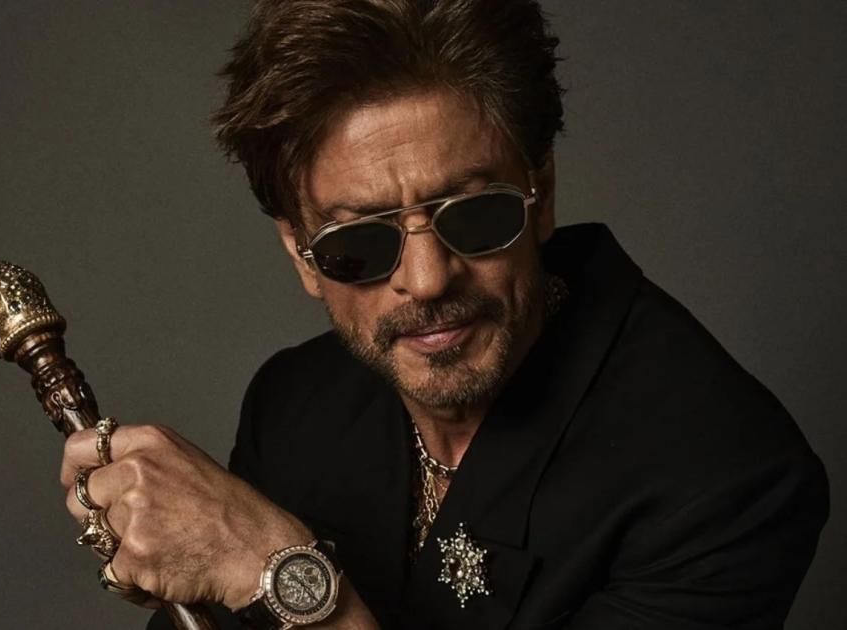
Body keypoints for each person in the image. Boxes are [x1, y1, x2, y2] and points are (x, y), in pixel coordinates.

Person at [59, 1, 828, 628]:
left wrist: (277, 572)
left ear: (541, 194)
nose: (426, 281)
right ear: (301, 255)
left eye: (476, 214)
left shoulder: (728, 478)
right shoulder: (292, 405)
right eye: (359, 243)